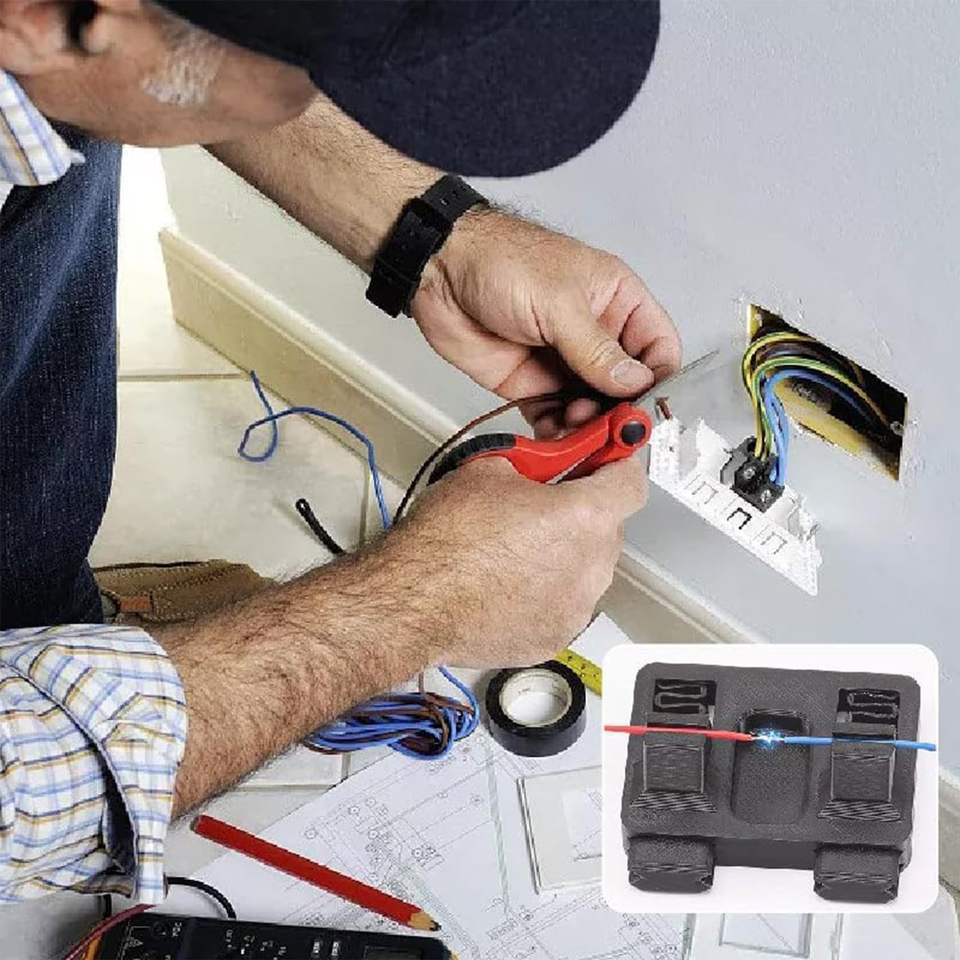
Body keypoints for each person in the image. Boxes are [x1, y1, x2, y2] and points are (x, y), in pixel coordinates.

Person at [0, 0, 680, 904]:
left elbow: (136, 62)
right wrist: (413, 605)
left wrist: (438, 241)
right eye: (307, 75)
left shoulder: (56, 46)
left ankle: (40, 620)